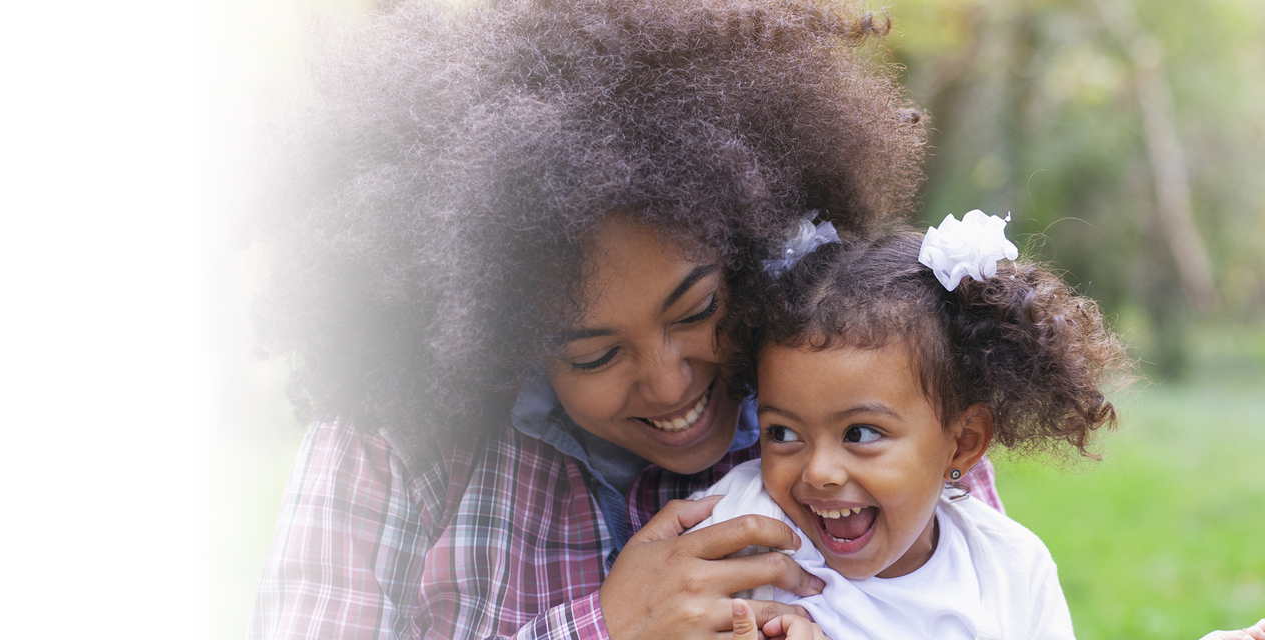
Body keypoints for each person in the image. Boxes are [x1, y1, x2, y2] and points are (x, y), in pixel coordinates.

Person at [246, 1, 998, 639]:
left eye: (699, 310)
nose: (670, 385)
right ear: (499, 336)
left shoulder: (876, 400)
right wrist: (605, 626)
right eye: (595, 355)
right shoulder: (391, 444)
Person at [693, 213, 1265, 640]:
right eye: (782, 433)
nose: (818, 471)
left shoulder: (1006, 569)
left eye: (861, 433)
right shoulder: (742, 530)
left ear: (964, 441)